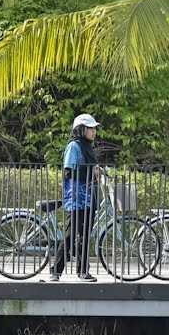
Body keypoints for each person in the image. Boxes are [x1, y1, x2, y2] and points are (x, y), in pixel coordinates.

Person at [47, 114, 101, 282]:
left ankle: (83, 271)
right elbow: (68, 171)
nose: (94, 132)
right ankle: (56, 270)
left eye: (94, 128)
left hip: (89, 196)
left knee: (84, 236)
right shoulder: (74, 146)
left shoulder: (88, 147)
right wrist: (91, 172)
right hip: (77, 198)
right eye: (90, 128)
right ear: (81, 129)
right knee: (71, 235)